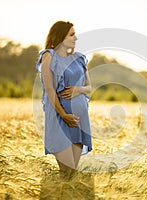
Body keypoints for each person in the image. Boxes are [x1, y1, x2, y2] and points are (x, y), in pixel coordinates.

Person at [36, 21, 92, 176]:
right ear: (61, 36)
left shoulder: (79, 58)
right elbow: (49, 89)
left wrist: (77, 89)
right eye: (72, 34)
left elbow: (89, 88)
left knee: (72, 174)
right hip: (60, 118)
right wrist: (64, 115)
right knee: (66, 171)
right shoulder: (48, 56)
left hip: (79, 120)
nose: (76, 38)